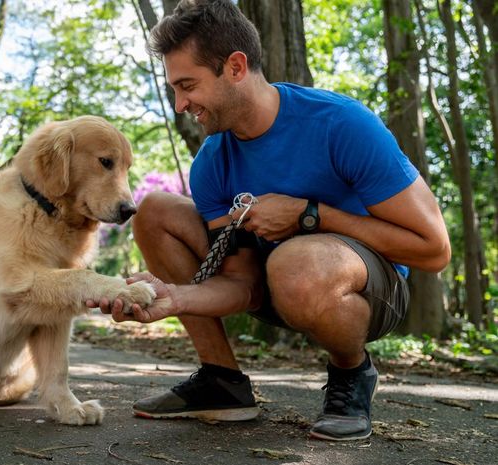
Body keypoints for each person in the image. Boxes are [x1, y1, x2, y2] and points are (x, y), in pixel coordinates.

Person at [86, 0, 450, 441]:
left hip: (369, 290)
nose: (181, 103)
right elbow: (246, 286)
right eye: (174, 90)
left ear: (235, 67)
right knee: (156, 211)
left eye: (188, 85)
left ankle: (351, 373)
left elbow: (434, 251)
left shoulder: (341, 125)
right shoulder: (213, 161)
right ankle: (222, 382)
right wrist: (173, 298)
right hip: (276, 283)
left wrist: (311, 216)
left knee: (296, 263)